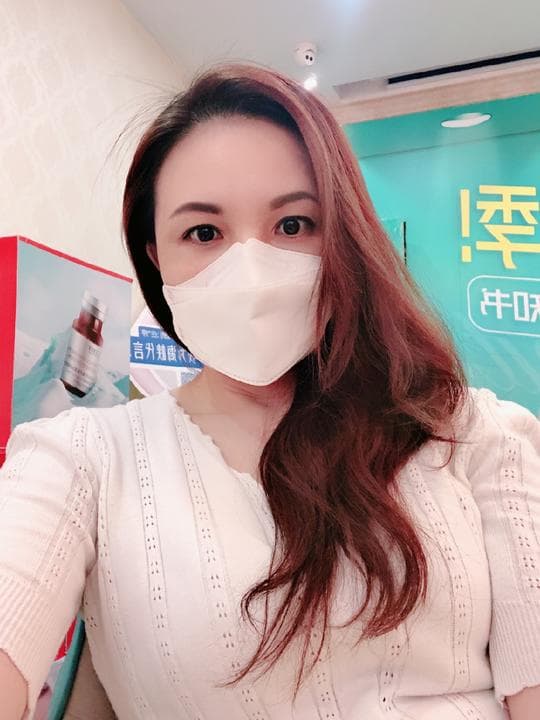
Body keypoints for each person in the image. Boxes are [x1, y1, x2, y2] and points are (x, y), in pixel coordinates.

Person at [0, 64, 539, 720]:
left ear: (346, 236)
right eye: (204, 233)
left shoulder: (474, 434)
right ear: (157, 259)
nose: (251, 270)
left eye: (294, 224)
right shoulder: (82, 458)